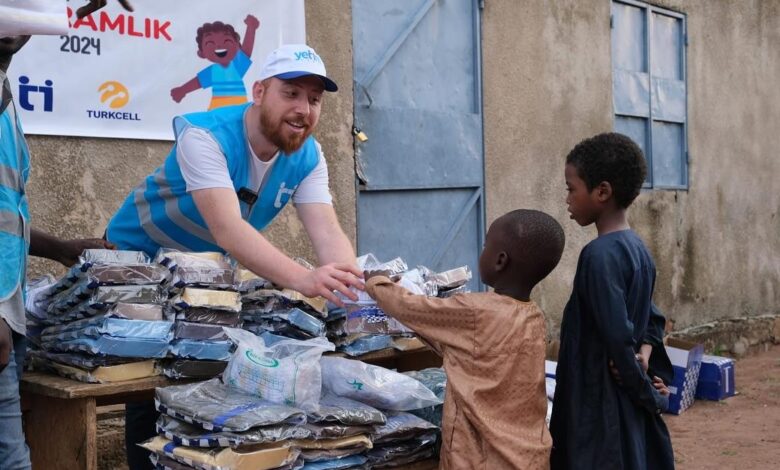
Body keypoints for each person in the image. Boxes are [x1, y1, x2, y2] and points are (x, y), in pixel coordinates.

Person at [106, 43, 363, 469]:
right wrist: (304, 280)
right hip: (138, 265)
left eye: (314, 100)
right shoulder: (204, 135)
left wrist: (353, 285)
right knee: (147, 383)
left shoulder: (308, 155)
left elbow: (326, 229)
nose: (304, 109)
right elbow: (228, 229)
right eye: (291, 93)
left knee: (197, 382)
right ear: (259, 91)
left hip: (203, 280)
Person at [366, 209, 566, 469]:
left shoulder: (475, 311)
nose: (482, 251)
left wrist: (377, 283)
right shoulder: (534, 317)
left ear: (500, 260)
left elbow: (413, 309)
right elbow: (456, 341)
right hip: (528, 455)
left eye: (486, 246)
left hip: (477, 456)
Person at [0, 34, 115, 469]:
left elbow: (8, 215)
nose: (15, 25)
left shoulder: (7, 101)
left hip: (12, 313)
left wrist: (61, 249)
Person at [549, 132, 675, 470]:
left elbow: (618, 340)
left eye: (571, 189)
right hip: (623, 399)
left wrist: (655, 398)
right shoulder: (638, 250)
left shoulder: (598, 256)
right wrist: (645, 357)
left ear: (602, 191)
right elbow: (652, 320)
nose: (567, 199)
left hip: (597, 407)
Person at [170, 16, 261, 110]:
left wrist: (251, 28)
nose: (219, 45)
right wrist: (182, 90)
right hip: (218, 110)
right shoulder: (214, 71)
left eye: (227, 40)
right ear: (201, 53)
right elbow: (198, 81)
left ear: (237, 45)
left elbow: (246, 52)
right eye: (210, 43)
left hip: (238, 110)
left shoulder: (236, 66)